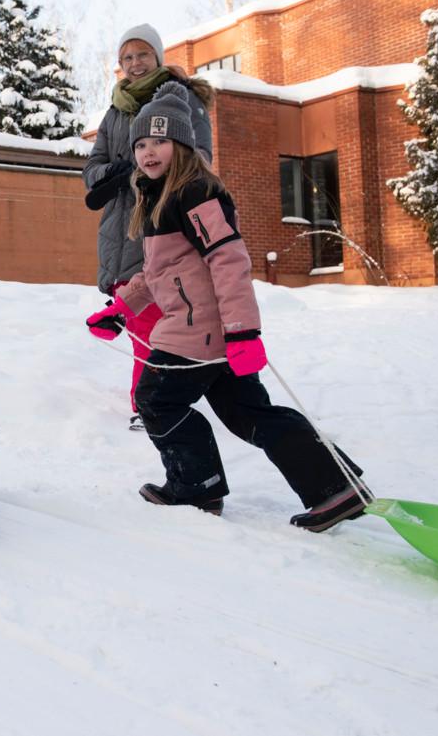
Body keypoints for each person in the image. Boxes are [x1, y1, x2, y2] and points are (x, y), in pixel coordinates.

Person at [84, 82, 366, 533]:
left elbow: (229, 259)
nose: (148, 152)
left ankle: (198, 486)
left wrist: (243, 332)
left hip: (199, 331)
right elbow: (163, 273)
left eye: (160, 141)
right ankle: (335, 487)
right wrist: (121, 307)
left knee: (155, 400)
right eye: (140, 143)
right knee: (248, 413)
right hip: (204, 329)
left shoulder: (196, 193)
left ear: (182, 145)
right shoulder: (157, 198)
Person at [83, 23, 214, 431]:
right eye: (127, 57)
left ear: (157, 56)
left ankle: (153, 403)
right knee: (141, 319)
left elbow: (201, 157)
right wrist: (120, 170)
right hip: (121, 230)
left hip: (164, 220)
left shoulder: (180, 99)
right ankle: (153, 401)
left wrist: (149, 168)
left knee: (160, 318)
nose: (134, 64)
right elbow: (91, 169)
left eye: (142, 55)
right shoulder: (114, 110)